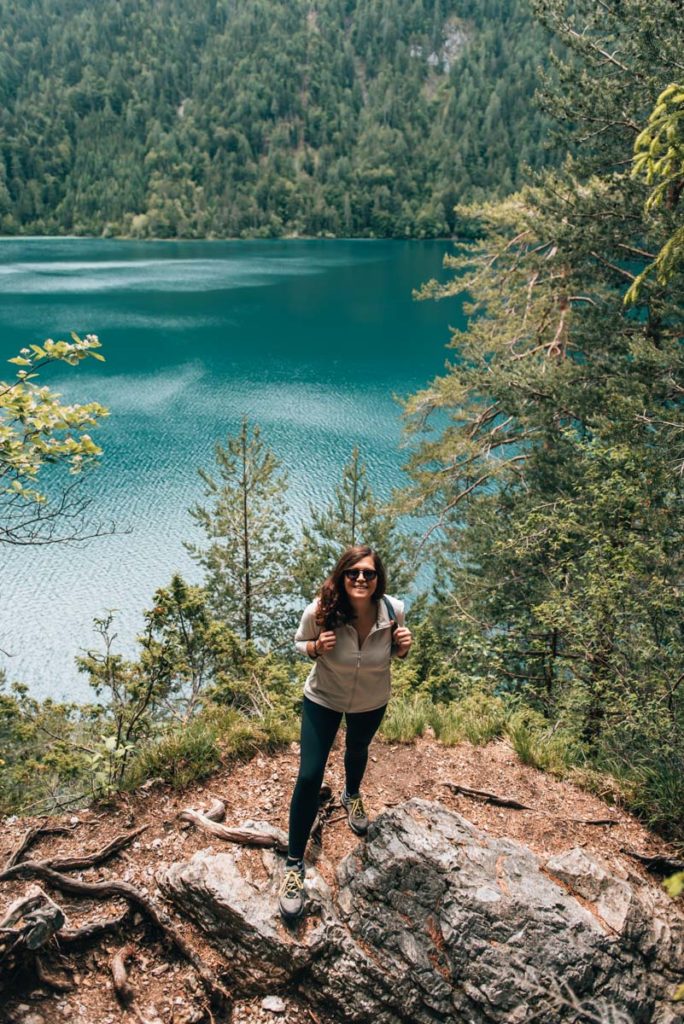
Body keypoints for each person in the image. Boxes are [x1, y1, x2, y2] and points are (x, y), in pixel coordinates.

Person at [279, 544, 412, 920]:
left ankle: (351, 793)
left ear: (377, 579)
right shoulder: (320, 610)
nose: (360, 579)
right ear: (342, 575)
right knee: (308, 776)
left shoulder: (393, 611)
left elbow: (396, 652)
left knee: (357, 750)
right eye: (353, 572)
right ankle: (293, 865)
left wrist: (403, 649)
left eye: (368, 573)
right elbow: (298, 642)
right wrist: (314, 647)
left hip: (371, 700)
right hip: (323, 699)